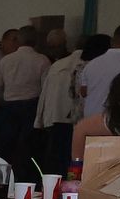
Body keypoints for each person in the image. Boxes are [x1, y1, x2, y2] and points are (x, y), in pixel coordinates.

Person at [0, 24, 50, 176]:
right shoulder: (42, 60)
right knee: (27, 149)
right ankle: (25, 181)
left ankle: (0, 181)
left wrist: (5, 95)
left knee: (4, 147)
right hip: (32, 107)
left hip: (8, 107)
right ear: (36, 41)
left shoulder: (6, 60)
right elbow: (46, 89)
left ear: (19, 40)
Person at [34, 34, 85, 178]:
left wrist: (40, 119)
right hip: (79, 120)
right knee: (75, 161)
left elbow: (44, 93)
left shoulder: (57, 65)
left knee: (55, 162)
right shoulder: (89, 65)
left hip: (54, 117)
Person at [78, 24, 120, 120]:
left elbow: (83, 92)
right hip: (114, 120)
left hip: (90, 118)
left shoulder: (92, 64)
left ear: (112, 41)